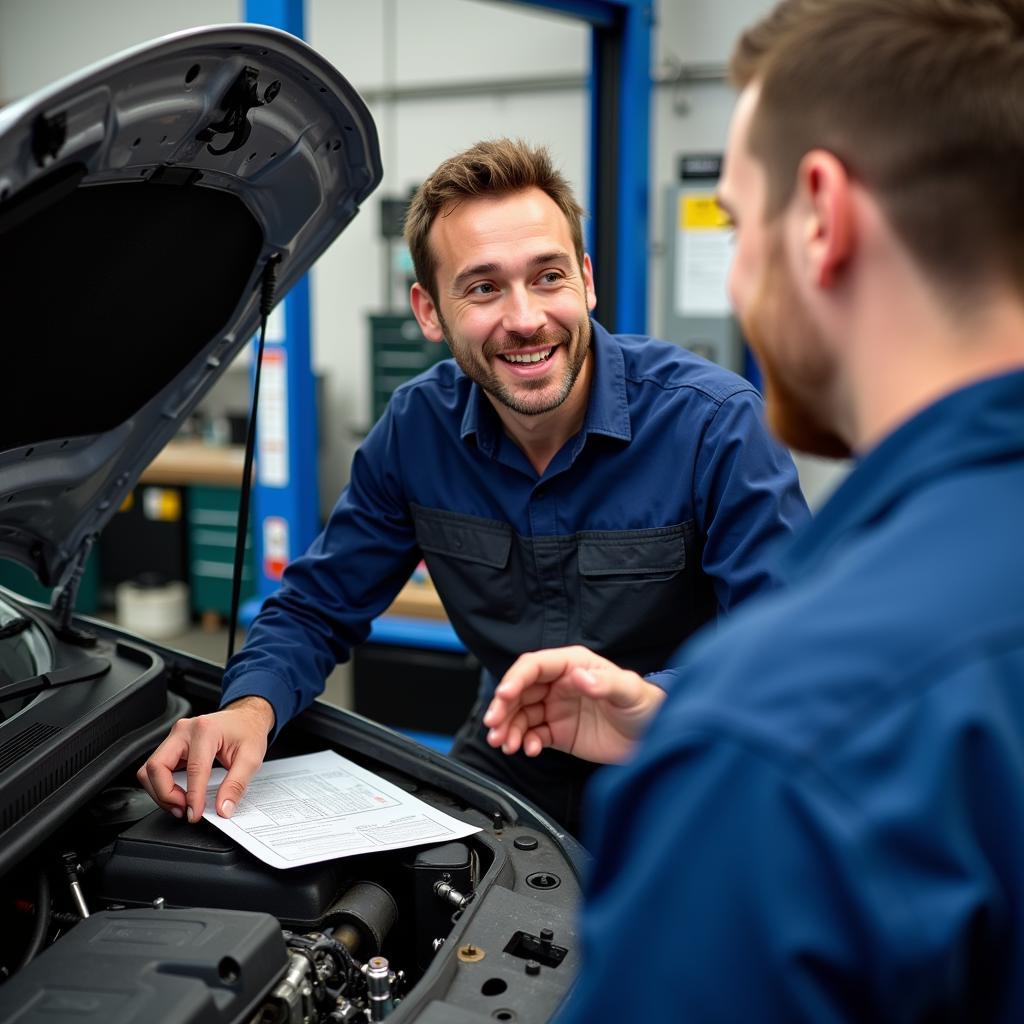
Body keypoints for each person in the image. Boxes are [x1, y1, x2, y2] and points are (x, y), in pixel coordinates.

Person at [483, 1, 1024, 1019]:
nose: (734, 275)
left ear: (820, 216)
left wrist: (711, 731)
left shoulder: (779, 737)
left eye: (735, 224)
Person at [137, 139, 806, 835]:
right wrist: (251, 706)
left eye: (547, 277)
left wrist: (652, 706)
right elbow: (318, 605)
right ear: (429, 311)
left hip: (686, 763)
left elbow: (790, 655)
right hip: (512, 762)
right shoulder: (416, 430)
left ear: (586, 280)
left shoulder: (715, 425)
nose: (524, 318)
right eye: (484, 287)